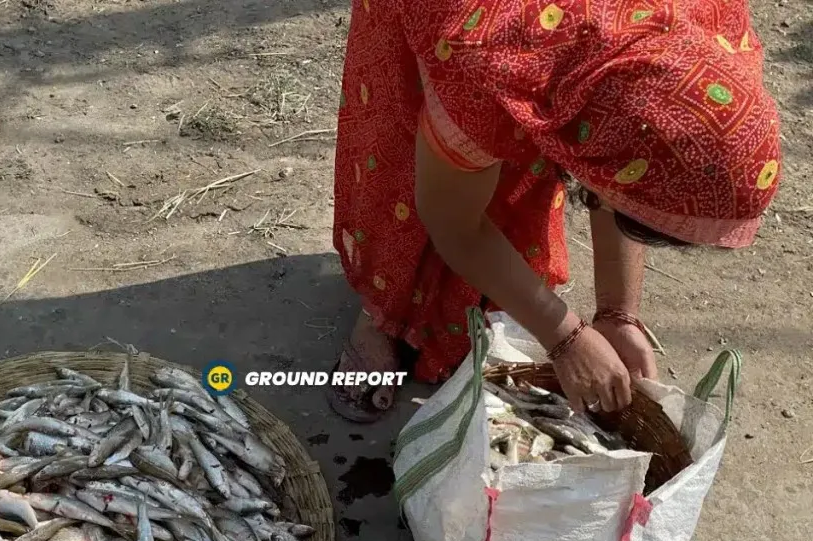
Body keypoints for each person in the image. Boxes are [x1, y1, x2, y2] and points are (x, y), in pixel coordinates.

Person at [329, 0, 781, 422]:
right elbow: (452, 222)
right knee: (403, 172)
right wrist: (565, 338)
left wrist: (618, 312)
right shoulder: (480, 62)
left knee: (510, 185)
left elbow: (631, 159)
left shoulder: (709, 37)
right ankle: (381, 312)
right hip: (463, 27)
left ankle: (462, 302)